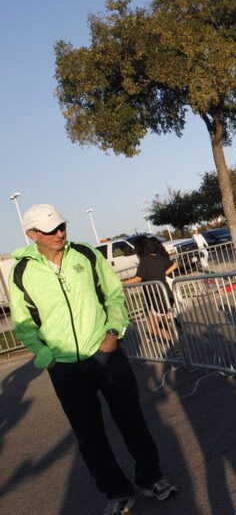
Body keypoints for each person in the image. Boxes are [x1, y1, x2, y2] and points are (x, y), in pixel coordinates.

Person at [9, 204, 177, 515]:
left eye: (61, 226)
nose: (60, 233)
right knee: (89, 435)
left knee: (132, 420)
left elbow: (113, 295)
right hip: (64, 367)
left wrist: (113, 332)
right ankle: (116, 491)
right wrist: (46, 356)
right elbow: (23, 323)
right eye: (50, 230)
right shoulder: (21, 271)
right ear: (32, 235)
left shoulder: (85, 255)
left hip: (105, 354)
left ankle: (152, 478)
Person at [122, 235, 178, 343]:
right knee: (159, 324)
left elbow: (137, 279)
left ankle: (176, 345)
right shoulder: (157, 257)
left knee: (155, 327)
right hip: (166, 295)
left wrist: (120, 284)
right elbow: (175, 264)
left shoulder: (145, 261)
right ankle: (176, 343)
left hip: (157, 298)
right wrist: (163, 275)